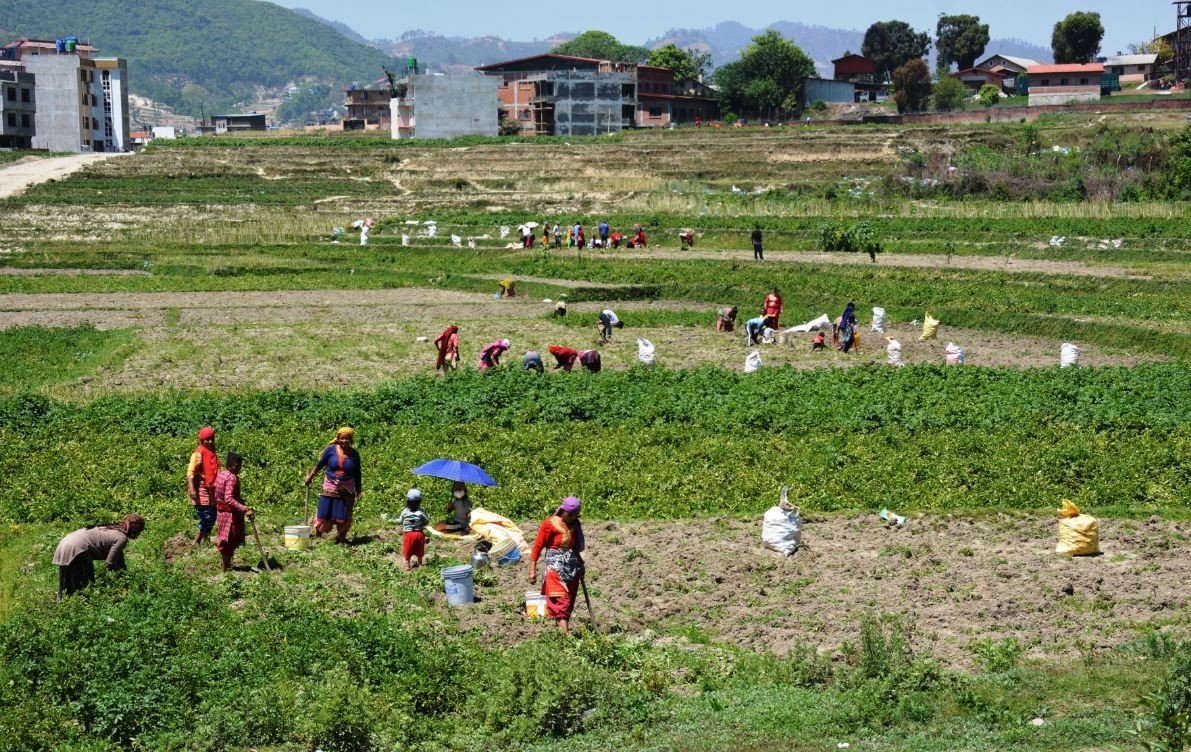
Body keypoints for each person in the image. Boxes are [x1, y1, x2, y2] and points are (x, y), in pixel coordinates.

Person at [529, 496, 586, 634]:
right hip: (554, 568)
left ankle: (559, 636)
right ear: (564, 511)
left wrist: (581, 564)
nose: (573, 517)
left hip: (571, 568)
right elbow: (537, 547)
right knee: (561, 602)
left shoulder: (574, 524)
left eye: (576, 515)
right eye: (571, 515)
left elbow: (575, 548)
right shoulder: (549, 524)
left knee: (567, 604)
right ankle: (567, 641)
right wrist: (532, 571)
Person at [53, 514, 145, 598]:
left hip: (65, 543)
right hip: (78, 548)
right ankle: (76, 610)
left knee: (65, 585)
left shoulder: (111, 529)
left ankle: (61, 605)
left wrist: (126, 577)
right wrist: (111, 583)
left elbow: (119, 561)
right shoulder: (122, 538)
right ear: (136, 530)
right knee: (84, 588)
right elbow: (110, 563)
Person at [305, 427, 362, 543]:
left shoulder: (355, 455)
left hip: (346, 488)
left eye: (347, 439)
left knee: (342, 515)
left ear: (351, 440)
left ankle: (341, 539)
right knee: (323, 512)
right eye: (342, 438)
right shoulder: (331, 450)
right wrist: (310, 476)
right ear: (338, 439)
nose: (344, 441)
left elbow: (357, 473)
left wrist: (359, 490)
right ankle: (318, 537)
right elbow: (320, 464)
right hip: (330, 485)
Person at [213, 452, 254, 572]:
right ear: (229, 465)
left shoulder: (222, 474)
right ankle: (225, 570)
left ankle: (226, 566)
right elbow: (229, 498)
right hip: (229, 515)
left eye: (239, 466)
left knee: (225, 539)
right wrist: (244, 509)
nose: (238, 469)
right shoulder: (231, 478)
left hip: (221, 513)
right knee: (229, 541)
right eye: (235, 466)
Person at [187, 426, 220, 545]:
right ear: (202, 441)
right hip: (201, 490)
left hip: (212, 490)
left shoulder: (211, 452)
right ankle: (196, 541)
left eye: (212, 439)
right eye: (207, 440)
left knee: (212, 515)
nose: (210, 442)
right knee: (206, 517)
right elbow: (190, 472)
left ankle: (205, 540)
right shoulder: (198, 453)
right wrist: (191, 489)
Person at [401, 488, 430, 571]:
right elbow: (427, 520)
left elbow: (401, 520)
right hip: (419, 533)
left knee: (408, 549)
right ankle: (420, 563)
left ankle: (407, 565)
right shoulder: (421, 512)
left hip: (408, 534)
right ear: (419, 501)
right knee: (419, 549)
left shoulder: (405, 511)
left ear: (408, 500)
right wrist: (422, 524)